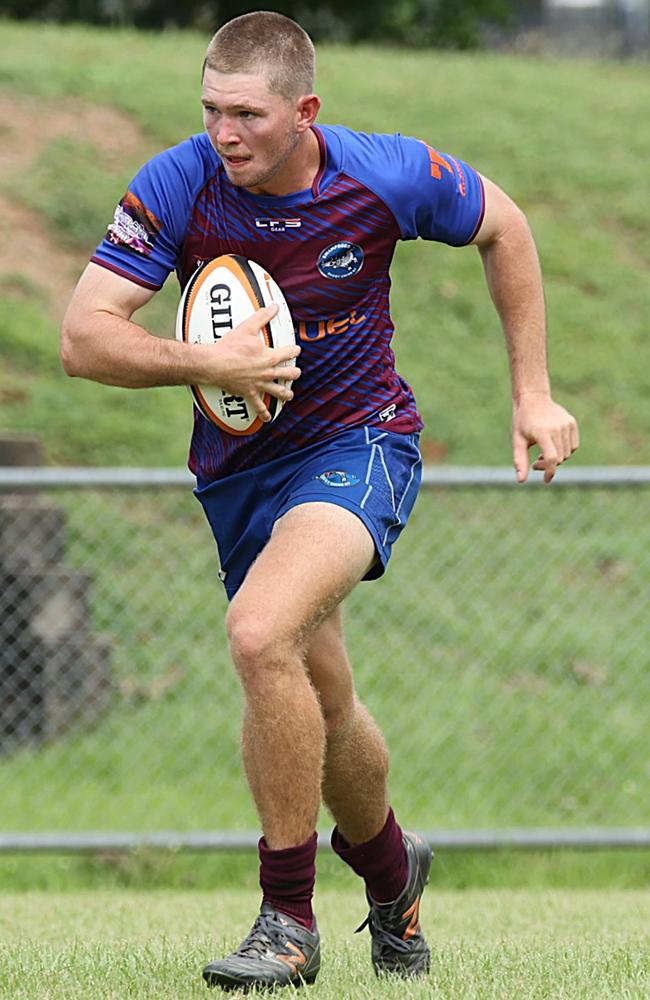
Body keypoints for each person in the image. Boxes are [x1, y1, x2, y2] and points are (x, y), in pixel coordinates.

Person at [61, 10, 580, 992]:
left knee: (260, 634)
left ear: (304, 111)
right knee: (323, 696)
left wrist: (530, 390)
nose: (224, 133)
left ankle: (285, 919)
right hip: (239, 476)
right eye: (211, 109)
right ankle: (393, 875)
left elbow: (502, 226)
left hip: (362, 446)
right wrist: (203, 359)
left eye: (246, 114)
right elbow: (84, 335)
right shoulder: (179, 181)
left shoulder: (380, 174)